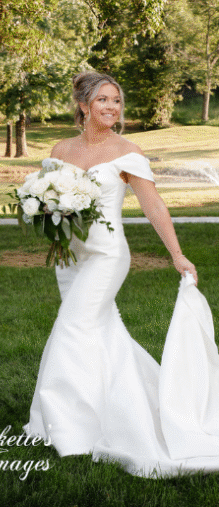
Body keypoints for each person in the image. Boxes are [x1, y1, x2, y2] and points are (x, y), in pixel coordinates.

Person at [23, 71, 219, 477]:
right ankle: (121, 407)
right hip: (69, 259)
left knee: (72, 328)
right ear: (83, 105)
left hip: (108, 257)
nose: (112, 107)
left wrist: (177, 254)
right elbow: (47, 204)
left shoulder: (128, 151)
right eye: (103, 101)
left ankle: (67, 427)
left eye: (116, 101)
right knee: (102, 334)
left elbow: (154, 205)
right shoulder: (60, 149)